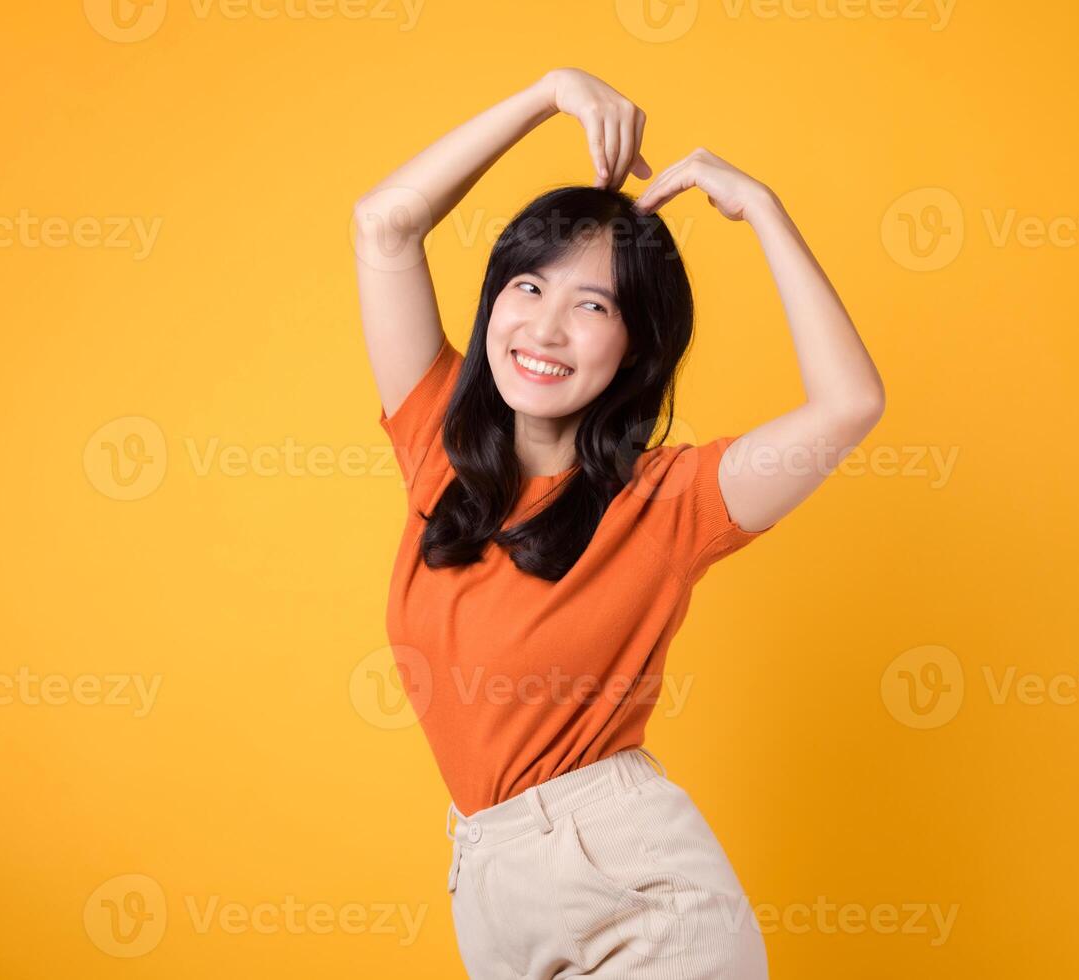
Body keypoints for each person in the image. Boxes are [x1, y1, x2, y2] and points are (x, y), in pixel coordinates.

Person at [352, 66, 885, 979]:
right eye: (527, 288)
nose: (546, 329)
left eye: (591, 306)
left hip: (637, 901)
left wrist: (763, 209)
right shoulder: (437, 448)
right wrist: (548, 93)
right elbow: (384, 223)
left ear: (635, 346)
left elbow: (849, 404)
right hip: (489, 887)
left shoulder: (670, 504)